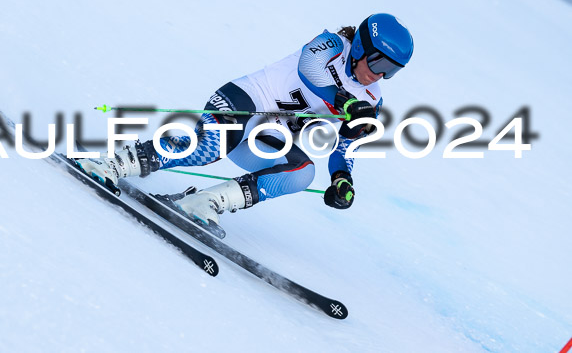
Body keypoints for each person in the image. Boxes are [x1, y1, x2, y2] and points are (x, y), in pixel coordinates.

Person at [77, 13, 414, 230]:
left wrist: (343, 178)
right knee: (213, 146)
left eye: (391, 70)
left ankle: (204, 202)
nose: (379, 74)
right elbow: (308, 72)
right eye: (378, 61)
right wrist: (344, 102)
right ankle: (113, 163)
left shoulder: (372, 100)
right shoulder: (331, 46)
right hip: (243, 102)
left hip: (267, 134)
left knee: (302, 172)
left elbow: (346, 145)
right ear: (359, 46)